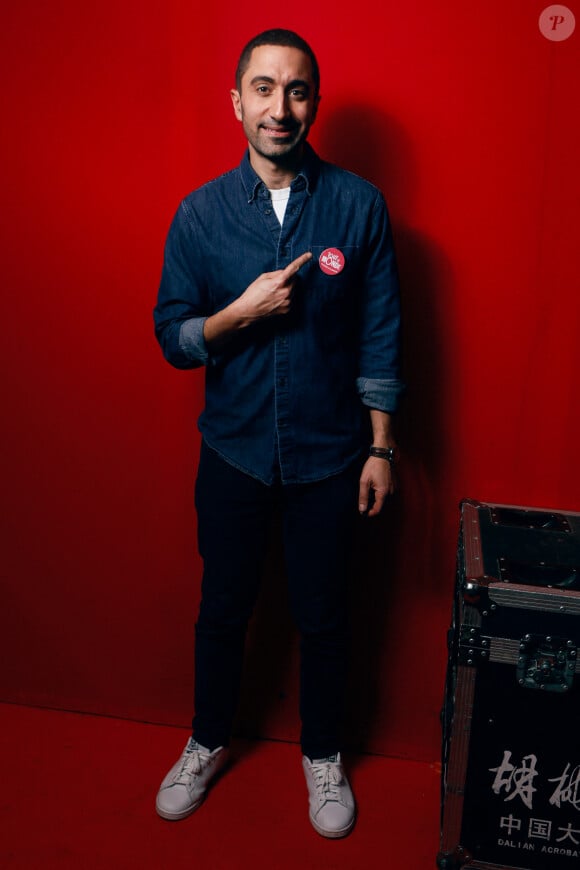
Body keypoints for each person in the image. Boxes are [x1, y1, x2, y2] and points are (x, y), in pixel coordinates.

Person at [153, 28, 404, 839]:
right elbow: (172, 338)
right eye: (263, 88)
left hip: (334, 457)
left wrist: (381, 447)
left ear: (313, 104)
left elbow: (381, 334)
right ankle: (206, 740)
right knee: (223, 610)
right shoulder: (199, 214)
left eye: (296, 90)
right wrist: (241, 314)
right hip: (232, 453)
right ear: (237, 102)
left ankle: (323, 756)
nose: (279, 107)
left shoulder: (359, 206)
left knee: (326, 616)